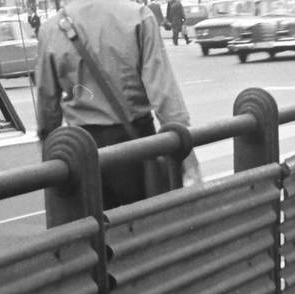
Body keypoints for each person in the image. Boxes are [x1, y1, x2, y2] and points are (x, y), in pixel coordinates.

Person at [36, 0, 199, 207]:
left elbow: (46, 105)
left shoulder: (52, 27)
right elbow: (164, 94)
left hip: (83, 151)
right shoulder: (139, 16)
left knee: (95, 230)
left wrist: (50, 152)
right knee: (145, 226)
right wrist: (189, 158)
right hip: (139, 145)